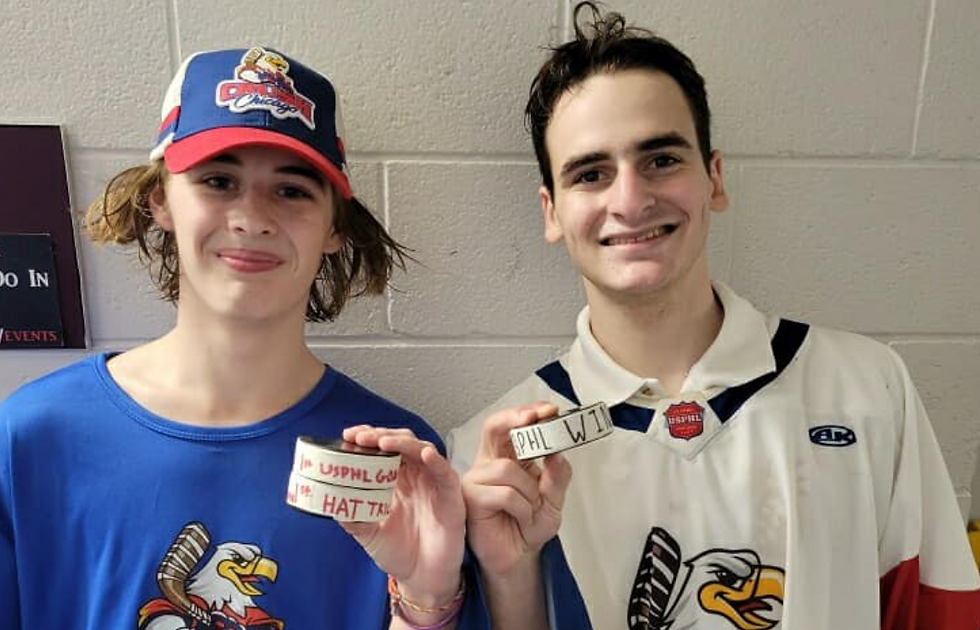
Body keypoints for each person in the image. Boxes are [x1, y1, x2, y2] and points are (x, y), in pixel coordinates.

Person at [448, 4, 980, 629]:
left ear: (715, 179)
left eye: (661, 159)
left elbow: (939, 612)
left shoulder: (868, 387)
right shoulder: (495, 457)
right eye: (591, 173)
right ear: (552, 212)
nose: (630, 199)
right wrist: (510, 581)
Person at [0, 46, 482, 630]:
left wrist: (428, 603)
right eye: (218, 180)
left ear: (334, 226)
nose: (251, 217)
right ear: (161, 201)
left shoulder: (390, 462)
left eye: (292, 190)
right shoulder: (31, 437)